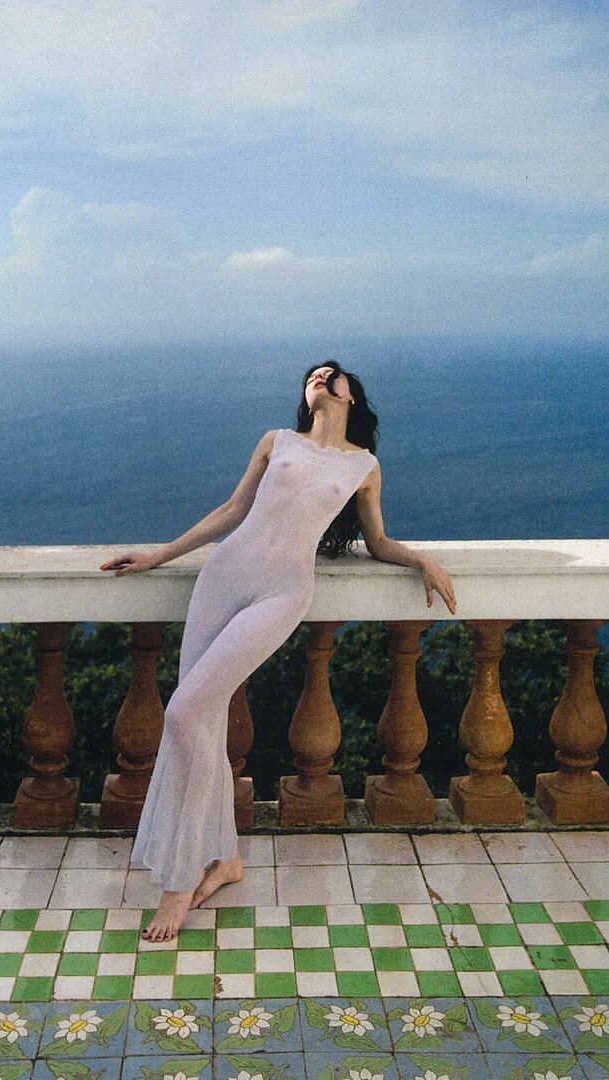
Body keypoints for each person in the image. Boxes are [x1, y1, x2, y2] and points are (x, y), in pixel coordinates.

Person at [100, 362, 456, 942]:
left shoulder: (363, 466)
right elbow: (230, 512)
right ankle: (225, 860)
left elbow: (377, 541)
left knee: (184, 711)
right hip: (221, 579)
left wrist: (423, 560)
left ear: (351, 397)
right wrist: (158, 556)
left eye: (332, 374)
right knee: (199, 722)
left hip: (281, 593)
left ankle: (180, 880)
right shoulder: (277, 441)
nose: (321, 377)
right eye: (314, 374)